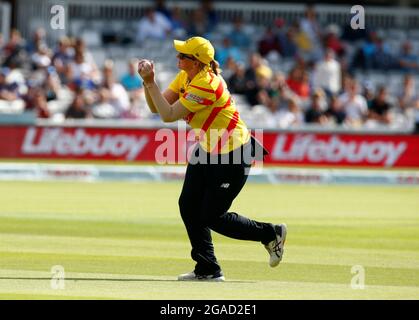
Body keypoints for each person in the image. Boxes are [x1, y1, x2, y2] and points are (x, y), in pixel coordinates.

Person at [137, 36, 287, 281]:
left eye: (183, 55)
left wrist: (150, 81)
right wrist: (147, 83)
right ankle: (207, 268)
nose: (178, 57)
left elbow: (168, 115)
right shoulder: (188, 75)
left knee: (212, 216)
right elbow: (156, 107)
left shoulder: (206, 84)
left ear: (196, 62)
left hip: (233, 154)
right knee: (188, 205)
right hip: (209, 148)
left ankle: (270, 234)